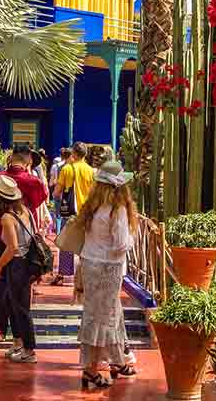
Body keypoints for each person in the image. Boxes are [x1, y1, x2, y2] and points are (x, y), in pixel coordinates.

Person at [75, 159, 138, 389]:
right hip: (109, 268)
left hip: (90, 264)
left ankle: (118, 359)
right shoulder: (117, 209)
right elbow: (121, 244)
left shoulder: (93, 206)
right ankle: (91, 370)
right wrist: (133, 238)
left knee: (101, 313)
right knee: (104, 318)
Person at [0, 146, 47, 341]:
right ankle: (20, 335)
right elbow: (38, 202)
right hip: (25, 239)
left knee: (2, 280)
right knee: (22, 286)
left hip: (2, 233)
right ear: (28, 162)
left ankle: (0, 329)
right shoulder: (33, 182)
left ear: (11, 158)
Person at [0, 175, 39, 364]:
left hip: (16, 265)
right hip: (27, 263)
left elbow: (12, 247)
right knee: (14, 305)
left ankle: (29, 349)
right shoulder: (25, 211)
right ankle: (19, 344)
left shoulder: (7, 218)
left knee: (21, 308)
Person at [53, 142, 95, 285]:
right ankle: (86, 275)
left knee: (66, 244)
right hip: (87, 213)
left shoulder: (67, 169)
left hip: (70, 213)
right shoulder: (91, 171)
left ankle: (63, 274)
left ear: (74, 154)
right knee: (87, 245)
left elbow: (57, 193)